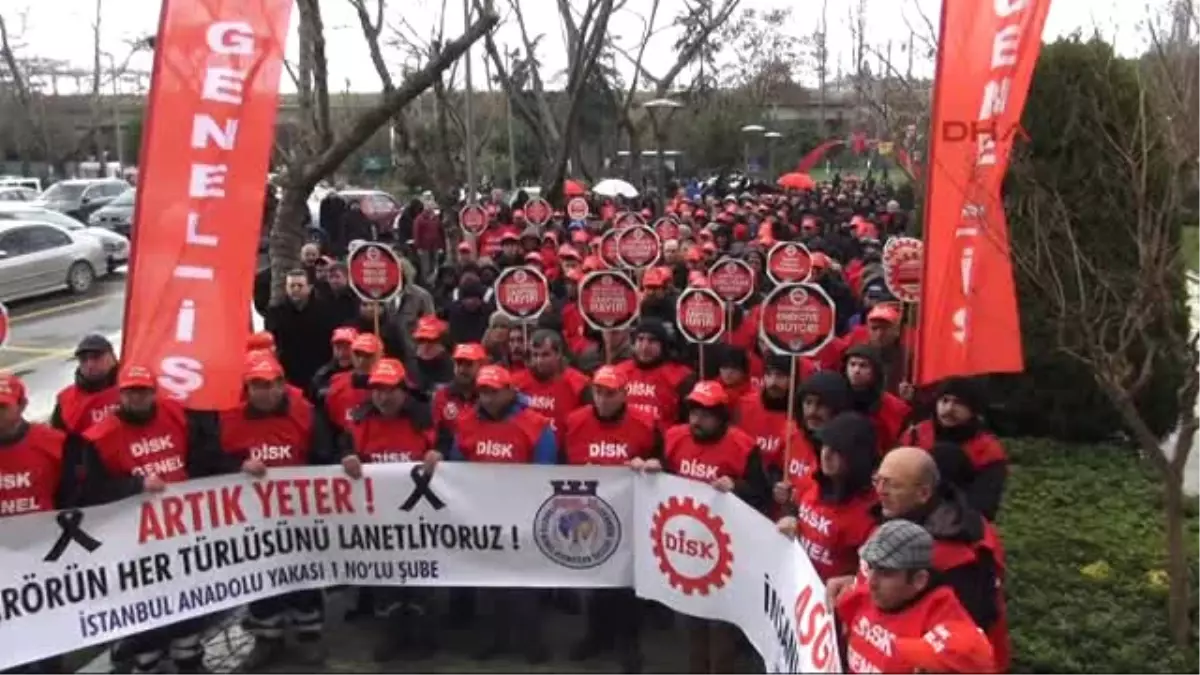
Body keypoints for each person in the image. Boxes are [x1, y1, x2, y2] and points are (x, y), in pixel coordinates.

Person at [79, 365, 220, 674]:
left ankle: (189, 658)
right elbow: (88, 493)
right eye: (130, 392)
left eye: (143, 391)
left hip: (183, 528)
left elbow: (199, 460)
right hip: (136, 540)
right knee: (147, 605)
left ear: (154, 391)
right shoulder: (100, 437)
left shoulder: (177, 415)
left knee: (189, 596)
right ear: (120, 394)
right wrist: (135, 486)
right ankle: (148, 662)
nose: (137, 398)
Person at [827, 447, 1009, 670]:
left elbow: (964, 641)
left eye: (893, 484)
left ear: (923, 493)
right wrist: (855, 583)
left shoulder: (958, 556)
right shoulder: (895, 515)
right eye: (878, 480)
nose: (880, 491)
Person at [632, 380, 769, 673]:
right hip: (685, 550)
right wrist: (655, 468)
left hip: (727, 554)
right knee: (691, 624)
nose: (697, 419)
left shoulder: (743, 447)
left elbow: (762, 495)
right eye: (693, 412)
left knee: (721, 628)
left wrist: (738, 487)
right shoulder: (674, 437)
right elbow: (666, 474)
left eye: (705, 414)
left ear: (721, 415)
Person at [214, 354, 331, 669]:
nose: (265, 392)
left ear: (282, 385)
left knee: (303, 575)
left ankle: (309, 635)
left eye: (271, 384)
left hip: (299, 515)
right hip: (253, 520)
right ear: (247, 388)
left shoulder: (305, 414)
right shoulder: (228, 419)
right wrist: (237, 466)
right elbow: (208, 463)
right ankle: (268, 638)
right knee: (261, 577)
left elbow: (323, 456)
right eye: (257, 385)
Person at [434, 364, 556, 662]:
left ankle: (531, 641)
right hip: (482, 515)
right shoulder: (465, 423)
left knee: (524, 583)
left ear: (510, 391)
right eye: (483, 392)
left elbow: (545, 472)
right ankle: (494, 638)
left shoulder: (536, 424)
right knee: (487, 581)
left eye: (493, 391)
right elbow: (457, 470)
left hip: (523, 516)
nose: (486, 398)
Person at [338, 358, 440, 661]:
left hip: (421, 519)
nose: (383, 396)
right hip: (379, 520)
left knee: (421, 580)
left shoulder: (424, 418)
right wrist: (346, 458)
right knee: (386, 582)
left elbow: (446, 446)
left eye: (390, 390)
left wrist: (439, 454)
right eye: (377, 390)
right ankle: (392, 635)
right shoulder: (358, 420)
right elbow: (340, 450)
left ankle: (422, 635)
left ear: (404, 390)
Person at [563, 365, 660, 670]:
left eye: (610, 393)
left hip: (631, 515)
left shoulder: (645, 424)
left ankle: (629, 645)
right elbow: (561, 464)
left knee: (627, 585)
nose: (603, 399)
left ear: (624, 394)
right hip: (587, 515)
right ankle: (596, 635)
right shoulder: (575, 422)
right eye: (598, 392)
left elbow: (662, 463)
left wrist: (651, 464)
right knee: (594, 581)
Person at [834, 521, 983, 673]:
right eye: (871, 567)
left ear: (919, 580)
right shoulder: (861, 596)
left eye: (886, 573)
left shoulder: (943, 622)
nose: (872, 582)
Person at [775, 412, 878, 580]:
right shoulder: (811, 481)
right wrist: (791, 518)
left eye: (837, 450)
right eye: (824, 445)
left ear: (857, 457)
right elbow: (795, 511)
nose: (826, 454)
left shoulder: (870, 516)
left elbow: (866, 577)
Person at [903, 377, 1008, 520]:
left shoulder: (988, 449)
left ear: (973, 408)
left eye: (958, 403)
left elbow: (984, 506)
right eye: (944, 400)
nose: (949, 409)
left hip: (959, 523)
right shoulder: (916, 435)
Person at [614, 319, 695, 430]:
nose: (644, 347)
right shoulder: (619, 372)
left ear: (663, 345)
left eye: (652, 341)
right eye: (640, 339)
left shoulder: (681, 376)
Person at [266, 268, 336, 390]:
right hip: (288, 373)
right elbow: (273, 341)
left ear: (309, 287)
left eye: (300, 285)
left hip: (318, 371)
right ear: (286, 288)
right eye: (292, 286)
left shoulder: (325, 309)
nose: (296, 289)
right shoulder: (275, 312)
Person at [512, 330, 589, 433]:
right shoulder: (516, 382)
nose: (539, 360)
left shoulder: (578, 383)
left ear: (558, 354)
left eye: (545, 355)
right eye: (535, 355)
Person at [51, 334, 120, 444]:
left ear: (113, 357)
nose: (90, 364)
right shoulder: (66, 400)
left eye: (96, 357)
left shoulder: (131, 389)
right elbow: (58, 442)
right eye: (84, 359)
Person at [842, 344, 910, 454]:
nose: (856, 370)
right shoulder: (836, 397)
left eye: (863, 366)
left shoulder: (891, 405)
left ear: (875, 371)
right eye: (852, 364)